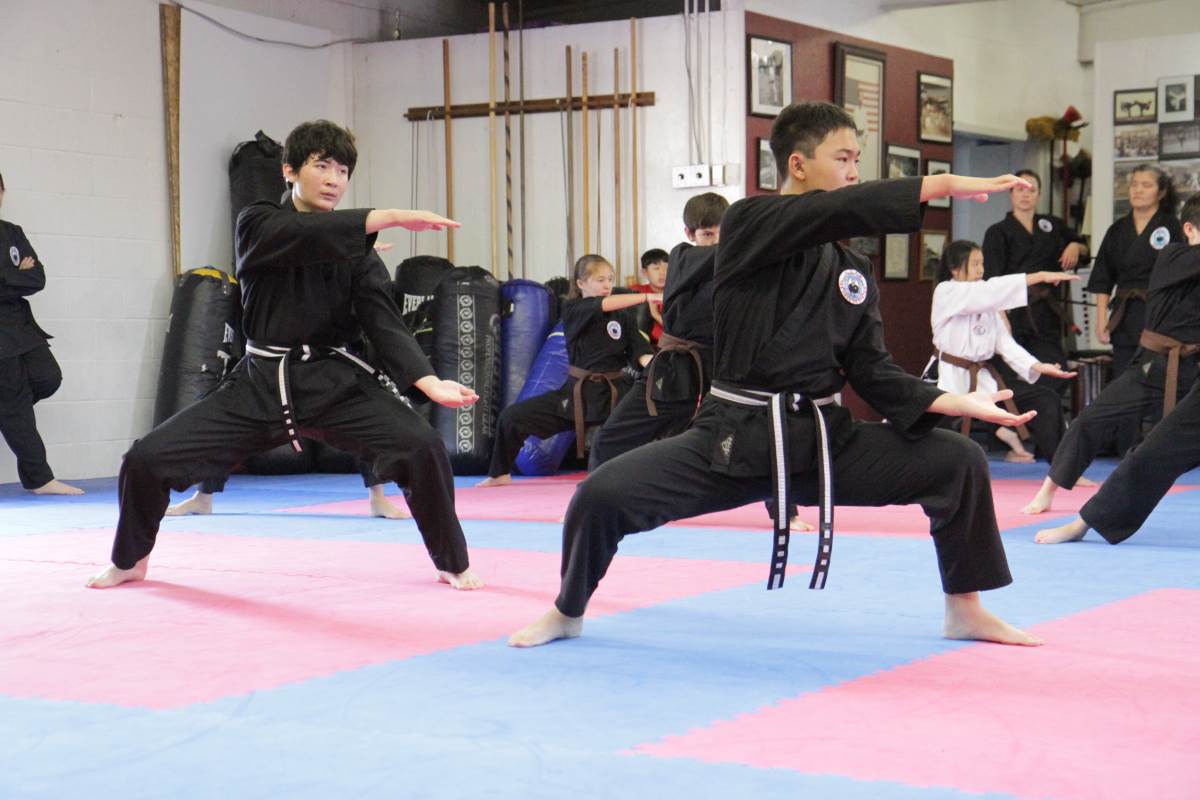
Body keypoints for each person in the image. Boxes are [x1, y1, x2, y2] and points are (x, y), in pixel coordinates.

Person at [509, 102, 1042, 650]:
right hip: (731, 439)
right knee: (598, 495)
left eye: (858, 160)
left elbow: (873, 370)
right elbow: (838, 210)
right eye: (843, 158)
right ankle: (567, 609)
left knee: (958, 461)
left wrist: (949, 401)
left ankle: (965, 610)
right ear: (798, 164)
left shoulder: (853, 272)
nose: (854, 171)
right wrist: (941, 184)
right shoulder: (748, 225)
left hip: (820, 443)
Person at [88, 119, 482, 590]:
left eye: (343, 170)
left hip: (336, 384)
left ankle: (452, 562)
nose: (334, 179)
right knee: (145, 458)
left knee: (422, 447)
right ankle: (130, 560)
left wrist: (426, 380)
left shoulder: (358, 250)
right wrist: (391, 215)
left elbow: (383, 320)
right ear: (290, 170)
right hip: (260, 385)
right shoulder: (257, 222)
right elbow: (298, 234)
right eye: (322, 166)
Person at [1023, 193, 1200, 515]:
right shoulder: (1172, 256)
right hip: (1153, 366)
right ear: (1189, 229)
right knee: (1091, 420)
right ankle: (1048, 489)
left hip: (1194, 371)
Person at [477, 254, 655, 486]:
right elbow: (598, 306)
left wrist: (655, 365)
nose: (607, 285)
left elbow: (639, 350)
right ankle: (500, 474)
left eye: (610, 279)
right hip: (577, 395)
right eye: (600, 280)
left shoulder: (623, 316)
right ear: (581, 283)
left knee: (656, 417)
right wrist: (648, 296)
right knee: (511, 418)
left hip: (616, 393)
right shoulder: (573, 309)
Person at [588, 194, 726, 469]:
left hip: (719, 373)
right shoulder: (682, 257)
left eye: (723, 233)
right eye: (708, 234)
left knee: (733, 445)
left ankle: (783, 508)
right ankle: (592, 496)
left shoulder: (734, 267)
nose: (716, 242)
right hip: (673, 370)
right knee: (609, 440)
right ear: (689, 234)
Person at [931, 239, 1076, 462]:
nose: (981, 270)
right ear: (955, 269)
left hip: (984, 379)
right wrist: (1038, 276)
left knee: (1045, 399)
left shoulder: (986, 299)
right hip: (948, 378)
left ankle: (1064, 471)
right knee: (929, 432)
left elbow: (1004, 343)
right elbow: (989, 292)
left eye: (982, 263)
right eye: (975, 264)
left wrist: (1037, 365)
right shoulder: (946, 291)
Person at [0, 170, 83, 496]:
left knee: (48, 377)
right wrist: (15, 275)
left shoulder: (12, 232)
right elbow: (23, 279)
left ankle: (9, 410)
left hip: (21, 326)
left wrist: (9, 277)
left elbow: (38, 279)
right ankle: (40, 479)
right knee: (13, 400)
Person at [982, 169, 1088, 395]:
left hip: (1046, 312)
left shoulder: (1052, 225)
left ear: (1039, 194)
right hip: (1012, 311)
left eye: (1031, 190)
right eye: (1019, 189)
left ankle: (1044, 410)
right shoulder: (997, 232)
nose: (1025, 194)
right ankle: (1019, 414)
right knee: (1009, 373)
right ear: (1011, 193)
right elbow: (992, 279)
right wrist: (1000, 316)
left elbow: (1084, 250)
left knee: (1055, 371)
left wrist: (1075, 246)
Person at [1089, 164, 1183, 379]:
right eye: (1134, 185)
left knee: (1157, 377)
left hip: (1161, 313)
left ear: (1161, 192)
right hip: (1124, 315)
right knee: (1124, 375)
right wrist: (1101, 320)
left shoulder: (1173, 226)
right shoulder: (1117, 230)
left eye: (1146, 185)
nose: (1138, 190)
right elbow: (1103, 277)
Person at [632, 248, 669, 348]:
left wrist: (655, 314)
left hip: (667, 347)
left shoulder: (677, 294)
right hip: (640, 346)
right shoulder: (636, 291)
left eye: (667, 268)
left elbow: (679, 331)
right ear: (644, 272)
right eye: (656, 268)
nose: (662, 273)